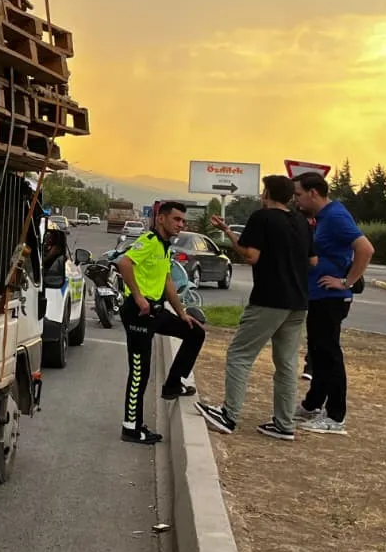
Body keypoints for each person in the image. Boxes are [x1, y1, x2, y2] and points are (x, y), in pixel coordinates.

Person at [195, 176, 313, 440]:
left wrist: (232, 239)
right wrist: (228, 231)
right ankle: (284, 424)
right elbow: (313, 260)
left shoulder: (263, 217)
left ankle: (228, 415)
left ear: (267, 193)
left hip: (269, 299)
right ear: (290, 196)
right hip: (298, 303)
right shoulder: (302, 222)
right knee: (286, 364)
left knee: (240, 354)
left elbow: (251, 256)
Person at [115, 201, 205, 445]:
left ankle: (173, 384)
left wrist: (182, 313)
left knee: (195, 332)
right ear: (161, 219)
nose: (181, 224)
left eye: (183, 221)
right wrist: (138, 296)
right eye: (176, 219)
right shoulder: (150, 241)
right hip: (139, 313)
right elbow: (124, 263)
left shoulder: (165, 248)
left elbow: (168, 284)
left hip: (156, 312)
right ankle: (131, 427)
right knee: (139, 371)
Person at [293, 172, 373, 435]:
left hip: (332, 298)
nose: (297, 199)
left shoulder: (336, 216)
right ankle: (313, 404)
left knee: (329, 355)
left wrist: (346, 282)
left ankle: (336, 417)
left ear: (313, 192)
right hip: (318, 296)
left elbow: (365, 249)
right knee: (318, 354)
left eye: (299, 194)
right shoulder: (324, 217)